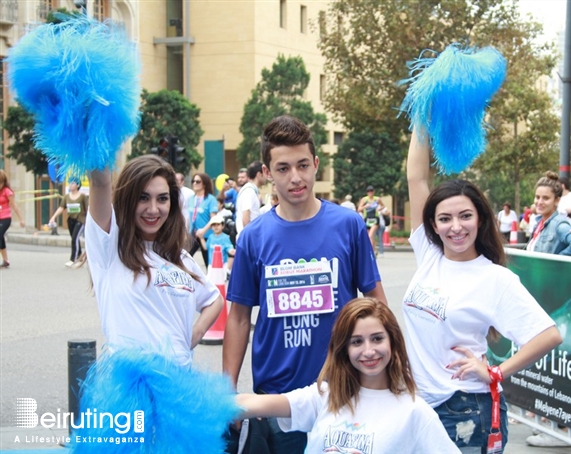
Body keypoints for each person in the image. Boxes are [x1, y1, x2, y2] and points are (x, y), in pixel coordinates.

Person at [223, 115, 387, 454]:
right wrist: (227, 394)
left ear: (316, 164)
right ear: (267, 173)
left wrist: (389, 371)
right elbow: (238, 318)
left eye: (302, 165)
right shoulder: (253, 237)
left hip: (343, 391)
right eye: (283, 169)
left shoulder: (349, 225)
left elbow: (376, 301)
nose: (295, 178)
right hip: (276, 400)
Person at [404, 129, 562, 453]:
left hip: (464, 408)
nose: (456, 227)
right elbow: (416, 178)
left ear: (480, 220)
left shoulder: (494, 279)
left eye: (465, 216)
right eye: (445, 218)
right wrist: (422, 111)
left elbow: (549, 335)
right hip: (419, 404)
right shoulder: (430, 254)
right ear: (433, 225)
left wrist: (494, 372)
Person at [236, 298, 460, 454]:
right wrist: (207, 405)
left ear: (393, 342)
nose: (369, 351)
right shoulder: (325, 396)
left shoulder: (415, 412)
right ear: (344, 348)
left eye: (377, 339)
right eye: (357, 342)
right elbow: (251, 402)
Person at [85, 155, 224, 366]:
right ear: (128, 199)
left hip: (180, 386)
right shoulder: (110, 248)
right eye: (143, 198)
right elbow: (100, 182)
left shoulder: (182, 259)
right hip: (132, 391)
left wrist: (194, 335)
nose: (153, 209)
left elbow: (214, 299)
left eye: (162, 198)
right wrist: (96, 132)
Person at [526, 171, 571, 255]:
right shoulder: (538, 223)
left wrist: (557, 261)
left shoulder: (560, 225)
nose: (539, 202)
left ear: (557, 200)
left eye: (545, 198)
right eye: (537, 197)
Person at [49, 178, 89, 267]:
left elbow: (87, 209)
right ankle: (79, 255)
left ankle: (73, 259)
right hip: (71, 220)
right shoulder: (66, 197)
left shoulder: (82, 196)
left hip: (80, 220)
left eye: (73, 183)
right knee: (74, 238)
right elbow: (61, 208)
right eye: (70, 183)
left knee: (74, 238)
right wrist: (53, 217)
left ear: (78, 185)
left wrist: (89, 222)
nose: (71, 185)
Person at [189, 172, 218, 266]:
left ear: (204, 183)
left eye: (198, 181)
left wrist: (203, 231)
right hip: (192, 234)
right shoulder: (191, 199)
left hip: (206, 235)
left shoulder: (211, 199)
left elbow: (213, 218)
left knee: (208, 262)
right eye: (193, 181)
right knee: (185, 258)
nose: (194, 183)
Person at [0, 169, 25, 268]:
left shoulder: (7, 191)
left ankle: (5, 260)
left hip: (5, 218)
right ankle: (6, 260)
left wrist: (21, 219)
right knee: (0, 238)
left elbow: (14, 206)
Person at [235, 160, 266, 237]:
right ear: (259, 174)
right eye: (265, 173)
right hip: (248, 239)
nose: (267, 176)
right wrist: (250, 239)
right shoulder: (249, 191)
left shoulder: (251, 190)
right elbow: (246, 216)